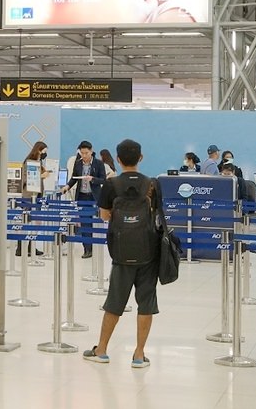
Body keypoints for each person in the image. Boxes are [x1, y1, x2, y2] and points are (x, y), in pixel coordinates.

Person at [83, 138, 164, 368]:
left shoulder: (111, 184)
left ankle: (102, 349)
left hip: (120, 252)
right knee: (146, 303)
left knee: (114, 303)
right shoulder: (152, 184)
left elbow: (105, 215)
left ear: (118, 160)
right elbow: (157, 215)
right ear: (141, 158)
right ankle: (139, 354)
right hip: (148, 252)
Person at [66, 140, 106, 258]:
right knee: (84, 223)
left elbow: (103, 179)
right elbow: (74, 178)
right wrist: (67, 186)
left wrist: (92, 179)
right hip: (82, 196)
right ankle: (87, 249)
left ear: (91, 151)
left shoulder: (99, 164)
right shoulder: (78, 163)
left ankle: (96, 246)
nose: (84, 155)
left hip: (94, 197)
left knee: (95, 223)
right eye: (82, 153)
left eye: (86, 153)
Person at [16, 141, 49, 257]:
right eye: (44, 151)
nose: (45, 154)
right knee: (25, 222)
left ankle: (31, 245)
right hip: (29, 196)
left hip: (37, 196)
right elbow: (27, 179)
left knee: (35, 222)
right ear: (38, 150)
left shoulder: (38, 162)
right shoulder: (29, 162)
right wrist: (40, 176)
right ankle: (20, 247)